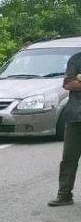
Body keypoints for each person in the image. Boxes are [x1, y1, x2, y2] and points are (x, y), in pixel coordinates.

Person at [47, 51, 81, 206]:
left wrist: (79, 78)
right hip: (75, 115)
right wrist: (75, 80)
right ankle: (64, 195)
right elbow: (68, 84)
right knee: (69, 158)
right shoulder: (76, 59)